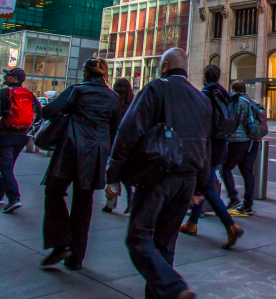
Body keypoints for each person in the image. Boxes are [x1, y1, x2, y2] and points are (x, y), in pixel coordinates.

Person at [106, 49, 211, 299]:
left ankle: (173, 286)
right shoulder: (201, 98)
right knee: (166, 242)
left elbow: (129, 131)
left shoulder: (156, 88)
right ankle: (164, 294)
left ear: (165, 66)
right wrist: (200, 188)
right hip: (188, 179)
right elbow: (206, 146)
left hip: (159, 174)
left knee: (138, 237)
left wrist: (113, 174)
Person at [40, 57, 120, 270]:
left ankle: (60, 240)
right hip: (95, 153)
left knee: (54, 192)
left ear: (85, 73)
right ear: (105, 74)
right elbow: (115, 130)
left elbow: (48, 112)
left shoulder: (77, 91)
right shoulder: (113, 97)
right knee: (83, 203)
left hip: (70, 149)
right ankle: (76, 258)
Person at [179, 64, 244, 249]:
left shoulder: (205, 94)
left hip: (206, 146)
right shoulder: (224, 94)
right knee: (205, 183)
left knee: (205, 185)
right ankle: (192, 223)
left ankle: (230, 225)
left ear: (204, 77)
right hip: (220, 146)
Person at [0, 68, 42, 213]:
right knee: (8, 166)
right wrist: (30, 129)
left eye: (8, 75)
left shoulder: (3, 93)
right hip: (22, 136)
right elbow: (40, 113)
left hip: (5, 135)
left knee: (5, 168)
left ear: (14, 79)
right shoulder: (29, 94)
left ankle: (14, 198)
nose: (5, 76)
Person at [221, 80, 260, 215]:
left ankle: (233, 197)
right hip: (253, 142)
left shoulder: (235, 102)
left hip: (238, 141)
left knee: (226, 168)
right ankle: (247, 205)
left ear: (233, 89)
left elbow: (229, 120)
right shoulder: (251, 102)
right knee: (248, 173)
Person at [102, 78, 136, 214]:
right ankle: (131, 197)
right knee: (125, 173)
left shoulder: (112, 103)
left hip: (112, 142)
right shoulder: (133, 104)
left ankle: (110, 203)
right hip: (128, 144)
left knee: (112, 173)